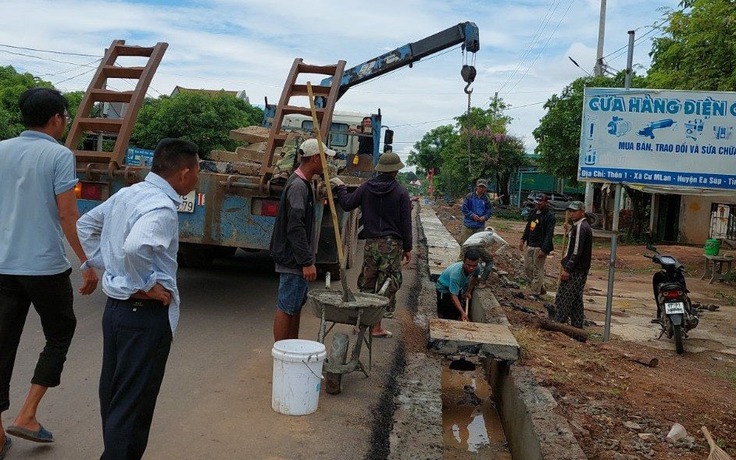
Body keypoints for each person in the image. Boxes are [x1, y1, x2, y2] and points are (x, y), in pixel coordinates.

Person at [76, 138, 200, 459]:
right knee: (133, 408)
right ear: (184, 173)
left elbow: (86, 224)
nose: (198, 177)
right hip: (144, 317)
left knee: (116, 398)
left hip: (116, 312)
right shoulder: (161, 208)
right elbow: (136, 247)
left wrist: (110, 268)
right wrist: (143, 284)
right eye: (198, 170)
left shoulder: (128, 194)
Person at [0, 88, 98, 452]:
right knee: (60, 332)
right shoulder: (59, 155)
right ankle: (27, 415)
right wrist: (86, 262)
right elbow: (68, 213)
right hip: (44, 267)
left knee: (2, 343)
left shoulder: (1, 149)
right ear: (56, 118)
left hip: (3, 265)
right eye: (66, 116)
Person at [332, 151, 412, 338]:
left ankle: (361, 325)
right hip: (391, 246)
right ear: (396, 171)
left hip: (371, 244)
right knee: (386, 284)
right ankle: (376, 327)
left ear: (380, 170)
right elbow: (406, 223)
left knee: (367, 282)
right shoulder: (401, 192)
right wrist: (407, 248)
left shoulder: (366, 187)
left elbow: (347, 204)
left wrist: (341, 187)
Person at [270, 138, 336, 342]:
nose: (327, 162)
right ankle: (283, 353)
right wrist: (306, 261)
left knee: (295, 306)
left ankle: (292, 349)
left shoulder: (303, 183)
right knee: (287, 307)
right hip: (293, 259)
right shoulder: (298, 187)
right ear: (315, 158)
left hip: (296, 258)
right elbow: (295, 227)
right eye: (325, 158)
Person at [553, 201, 593, 328]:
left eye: (574, 211)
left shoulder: (582, 227)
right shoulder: (578, 226)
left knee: (565, 297)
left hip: (576, 270)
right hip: (578, 268)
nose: (571, 214)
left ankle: (559, 323)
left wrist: (568, 269)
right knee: (576, 299)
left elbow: (577, 251)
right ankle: (577, 325)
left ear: (582, 211)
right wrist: (570, 230)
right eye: (570, 211)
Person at [519, 193, 555, 296]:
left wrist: (544, 249)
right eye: (536, 203)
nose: (538, 205)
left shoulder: (550, 217)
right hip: (531, 244)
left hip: (540, 246)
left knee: (537, 269)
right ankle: (540, 287)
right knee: (527, 267)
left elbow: (549, 234)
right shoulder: (533, 213)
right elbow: (528, 227)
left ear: (545, 203)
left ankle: (534, 292)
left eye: (540, 203)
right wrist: (523, 239)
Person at [436, 249, 481, 321]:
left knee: (457, 311)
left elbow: (475, 278)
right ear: (463, 261)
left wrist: (468, 291)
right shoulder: (456, 274)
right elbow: (453, 295)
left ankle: (457, 316)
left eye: (474, 266)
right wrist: (463, 312)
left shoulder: (477, 267)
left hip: (457, 287)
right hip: (444, 289)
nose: (471, 268)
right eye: (468, 265)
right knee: (448, 313)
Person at [460, 179, 493, 245]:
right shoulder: (469, 197)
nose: (481, 188)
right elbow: (464, 208)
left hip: (479, 227)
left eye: (483, 187)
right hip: (468, 226)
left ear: (485, 188)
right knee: (465, 245)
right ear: (476, 187)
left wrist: (485, 217)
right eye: (480, 186)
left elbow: (489, 211)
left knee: (477, 247)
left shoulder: (486, 199)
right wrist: (472, 215)